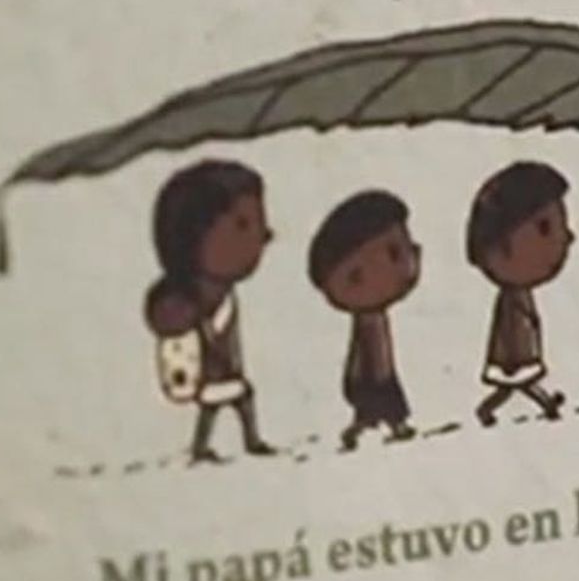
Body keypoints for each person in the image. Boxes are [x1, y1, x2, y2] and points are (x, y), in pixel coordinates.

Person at [144, 159, 276, 463]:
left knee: (236, 400)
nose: (262, 237)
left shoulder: (223, 297)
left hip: (227, 371)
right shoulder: (189, 305)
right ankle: (208, 446)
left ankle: (246, 441)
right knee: (218, 403)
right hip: (212, 374)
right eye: (243, 225)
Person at [307, 190, 421, 451]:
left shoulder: (370, 316)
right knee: (381, 403)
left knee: (369, 408)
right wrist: (380, 375)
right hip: (377, 377)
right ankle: (391, 426)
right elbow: (375, 352)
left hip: (366, 377)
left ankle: (365, 429)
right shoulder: (371, 319)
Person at [466, 161, 574, 426]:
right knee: (519, 384)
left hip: (519, 355)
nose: (567, 236)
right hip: (514, 358)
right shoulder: (513, 298)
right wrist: (513, 356)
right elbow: (511, 327)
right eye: (545, 227)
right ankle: (536, 405)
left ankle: (495, 409)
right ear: (502, 247)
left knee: (515, 387)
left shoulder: (519, 295)